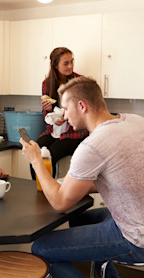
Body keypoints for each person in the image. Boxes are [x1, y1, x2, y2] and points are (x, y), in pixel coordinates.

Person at [20, 76, 144, 278]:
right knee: (80, 219)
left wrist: (35, 160)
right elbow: (119, 177)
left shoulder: (94, 145)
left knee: (41, 248)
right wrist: (72, 184)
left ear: (82, 106)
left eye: (65, 108)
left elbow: (60, 202)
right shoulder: (136, 121)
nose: (63, 116)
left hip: (139, 239)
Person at [31, 47, 88, 179]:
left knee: (51, 154)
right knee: (35, 150)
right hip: (54, 130)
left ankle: (51, 191)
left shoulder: (80, 82)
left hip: (75, 133)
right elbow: (46, 114)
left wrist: (67, 117)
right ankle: (38, 188)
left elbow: (85, 110)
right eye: (66, 63)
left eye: (72, 61)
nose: (71, 66)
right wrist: (49, 112)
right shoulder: (47, 84)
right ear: (55, 65)